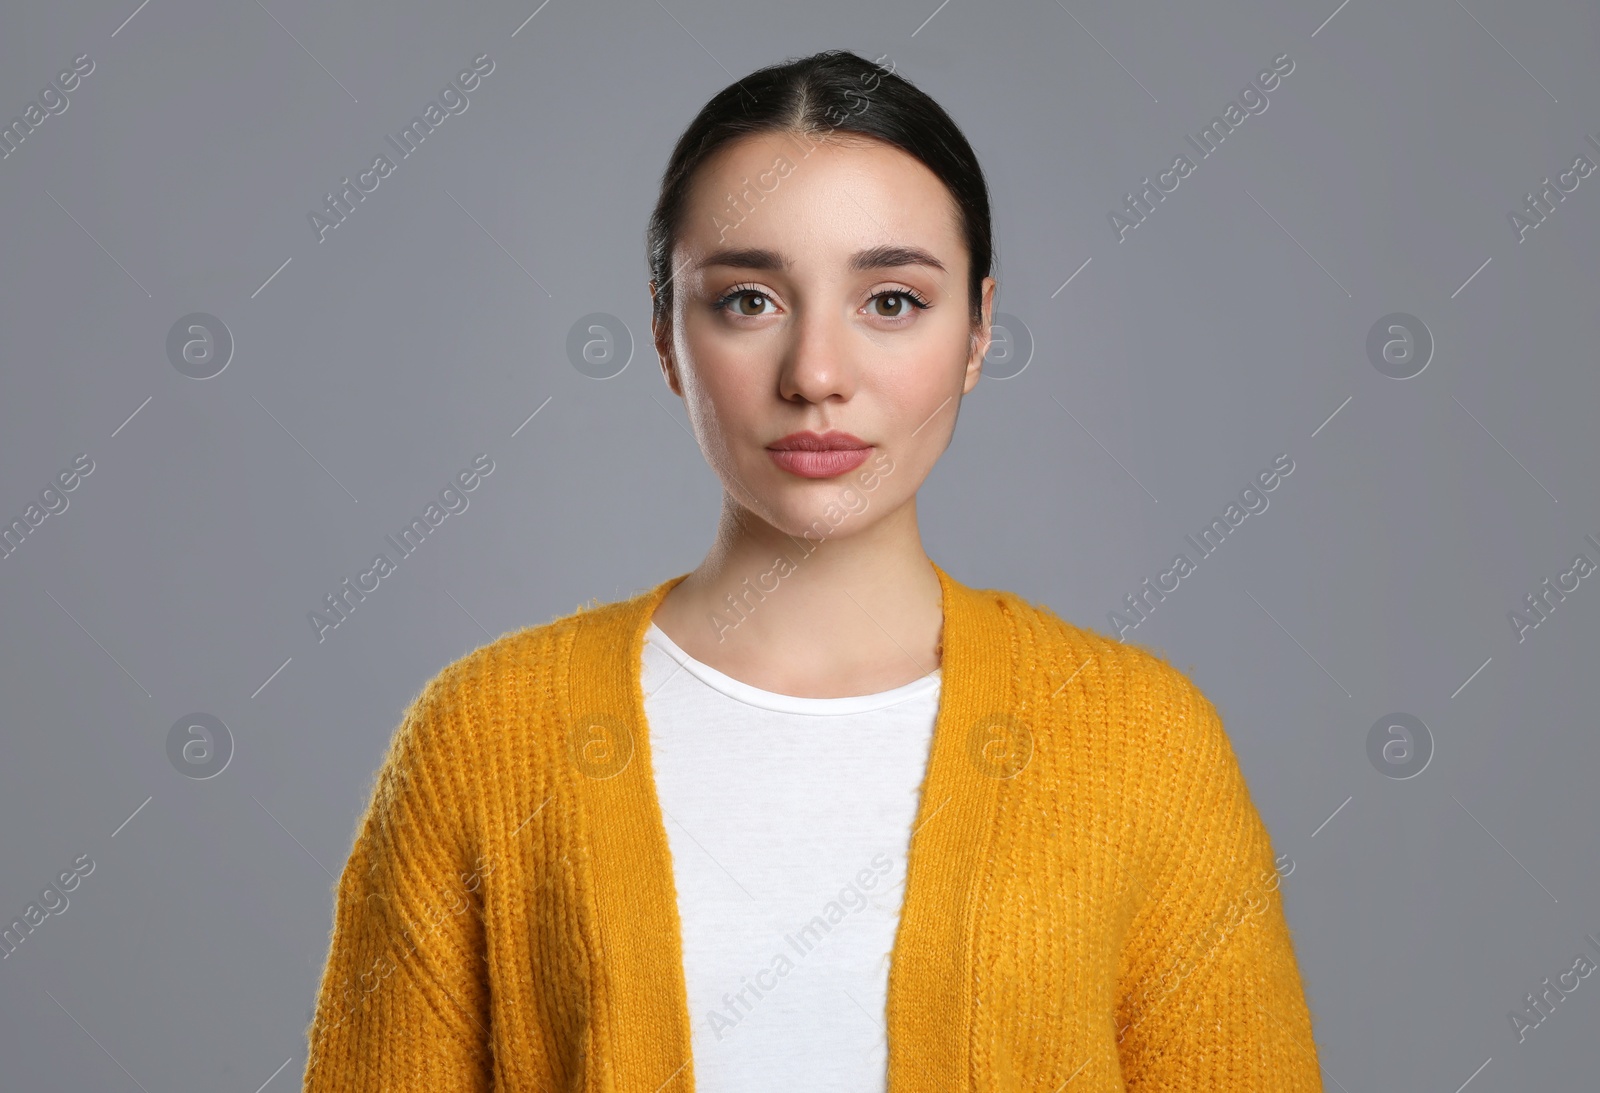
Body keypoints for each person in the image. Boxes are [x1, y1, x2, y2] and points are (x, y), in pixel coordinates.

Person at [302, 49, 1322, 1092]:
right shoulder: (483, 738)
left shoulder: (1143, 744)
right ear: (665, 336)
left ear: (977, 329)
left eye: (890, 301)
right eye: (747, 300)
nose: (816, 374)